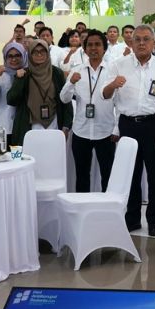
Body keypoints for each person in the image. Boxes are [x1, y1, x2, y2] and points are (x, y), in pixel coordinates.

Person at [104, 25, 155, 236]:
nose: (142, 43)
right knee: (131, 175)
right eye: (138, 39)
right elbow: (105, 96)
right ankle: (132, 219)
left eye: (147, 39)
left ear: (154, 42)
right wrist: (112, 86)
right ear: (132, 42)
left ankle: (154, 221)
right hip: (128, 125)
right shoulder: (118, 65)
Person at [61, 31, 117, 191]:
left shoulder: (112, 71)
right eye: (90, 45)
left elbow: (118, 103)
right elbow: (64, 99)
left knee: (108, 174)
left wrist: (116, 128)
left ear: (104, 48)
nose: (93, 48)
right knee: (82, 175)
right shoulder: (76, 70)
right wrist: (70, 83)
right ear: (84, 49)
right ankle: (82, 211)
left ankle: (107, 208)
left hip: (105, 131)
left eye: (98, 44)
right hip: (81, 131)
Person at [7, 41, 71, 144]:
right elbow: (11, 100)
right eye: (35, 52)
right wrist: (19, 80)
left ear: (48, 53)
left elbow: (66, 99)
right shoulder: (24, 74)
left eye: (42, 51)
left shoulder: (57, 73)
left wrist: (66, 126)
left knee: (53, 157)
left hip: (54, 123)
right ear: (30, 54)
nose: (39, 55)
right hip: (30, 125)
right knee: (31, 157)